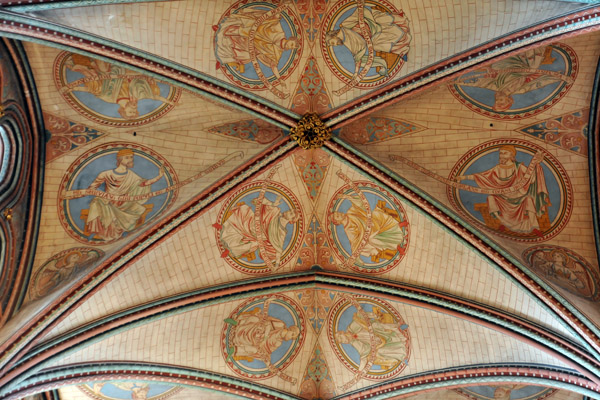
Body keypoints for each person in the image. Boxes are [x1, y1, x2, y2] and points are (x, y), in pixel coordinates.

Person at [455, 145, 549, 235]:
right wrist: (464, 177)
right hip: (502, 198)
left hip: (519, 197)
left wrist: (535, 166)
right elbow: (481, 176)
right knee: (491, 198)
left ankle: (535, 227)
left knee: (528, 200)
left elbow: (531, 179)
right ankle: (503, 224)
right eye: (501, 153)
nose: (502, 155)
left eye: (505, 153)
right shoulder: (497, 168)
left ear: (512, 155)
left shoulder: (519, 167)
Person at [455, 46, 573, 111]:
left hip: (502, 64)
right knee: (533, 66)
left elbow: (477, 83)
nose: (498, 99)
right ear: (508, 100)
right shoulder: (520, 89)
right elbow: (540, 82)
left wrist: (460, 82)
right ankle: (535, 41)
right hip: (522, 65)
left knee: (528, 65)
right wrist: (560, 78)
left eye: (497, 101)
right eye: (501, 102)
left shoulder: (495, 86)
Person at [62, 54, 176, 120]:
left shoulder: (110, 98)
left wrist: (74, 88)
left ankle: (95, 52)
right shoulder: (136, 97)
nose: (133, 109)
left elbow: (90, 90)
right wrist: (171, 102)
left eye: (130, 112)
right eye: (134, 111)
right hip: (128, 70)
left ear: (122, 110)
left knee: (102, 70)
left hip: (109, 73)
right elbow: (155, 97)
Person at [85, 149, 164, 241]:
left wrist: (159, 177)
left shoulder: (131, 175)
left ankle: (115, 230)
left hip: (123, 203)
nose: (130, 160)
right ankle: (99, 231)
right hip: (108, 201)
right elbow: (92, 188)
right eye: (127, 158)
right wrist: (102, 195)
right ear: (120, 159)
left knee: (135, 209)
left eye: (131, 157)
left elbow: (144, 183)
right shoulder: (106, 174)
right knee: (96, 202)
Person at [214, 5, 300, 87]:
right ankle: (220, 29)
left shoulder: (278, 53)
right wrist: (280, 8)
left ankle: (223, 57)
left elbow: (274, 66)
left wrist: (279, 79)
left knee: (245, 57)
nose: (290, 47)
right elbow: (274, 19)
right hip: (252, 31)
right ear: (290, 39)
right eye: (291, 44)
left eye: (292, 48)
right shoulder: (280, 31)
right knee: (242, 29)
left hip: (250, 46)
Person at [324, 6, 411, 78]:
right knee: (380, 45)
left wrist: (367, 24)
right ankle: (402, 50)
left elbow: (358, 14)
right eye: (333, 45)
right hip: (372, 38)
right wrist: (356, 72)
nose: (335, 45)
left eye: (333, 43)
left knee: (383, 20)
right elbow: (357, 56)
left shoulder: (344, 25)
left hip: (371, 23)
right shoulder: (346, 42)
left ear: (333, 36)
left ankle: (400, 20)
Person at [220, 195, 299, 268]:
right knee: (244, 209)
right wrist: (273, 204)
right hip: (252, 223)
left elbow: (279, 248)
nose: (288, 211)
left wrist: (277, 264)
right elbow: (261, 203)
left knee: (252, 244)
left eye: (291, 213)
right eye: (290, 210)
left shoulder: (282, 231)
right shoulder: (275, 211)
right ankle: (225, 234)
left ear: (291, 221)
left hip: (255, 235)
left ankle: (229, 247)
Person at [331, 193, 406, 264]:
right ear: (338, 222)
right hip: (370, 232)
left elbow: (359, 204)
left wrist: (348, 197)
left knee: (376, 214)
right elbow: (354, 242)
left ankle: (397, 225)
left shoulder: (350, 212)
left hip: (372, 222)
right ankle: (397, 247)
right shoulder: (348, 228)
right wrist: (355, 257)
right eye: (337, 216)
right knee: (373, 239)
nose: (339, 214)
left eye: (337, 213)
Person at [335, 305, 407, 371]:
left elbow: (361, 316)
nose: (343, 341)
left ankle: (398, 329)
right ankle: (401, 350)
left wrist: (373, 316)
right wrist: (360, 371)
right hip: (378, 342)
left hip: (376, 331)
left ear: (342, 333)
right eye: (342, 342)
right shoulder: (353, 342)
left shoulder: (351, 328)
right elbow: (363, 356)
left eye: (341, 339)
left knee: (375, 325)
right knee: (380, 352)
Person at [230, 305, 300, 365]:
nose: (290, 338)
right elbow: (268, 324)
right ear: (291, 330)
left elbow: (268, 349)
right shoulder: (281, 325)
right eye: (292, 335)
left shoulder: (279, 342)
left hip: (259, 342)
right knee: (255, 320)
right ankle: (238, 324)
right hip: (260, 331)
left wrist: (266, 356)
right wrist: (265, 338)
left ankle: (235, 349)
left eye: (291, 338)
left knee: (255, 351)